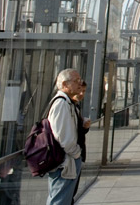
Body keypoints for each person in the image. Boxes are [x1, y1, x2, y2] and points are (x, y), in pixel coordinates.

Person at [46, 69, 84, 205]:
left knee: (64, 198)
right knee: (59, 199)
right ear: (64, 84)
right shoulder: (61, 104)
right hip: (64, 162)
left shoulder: (68, 103)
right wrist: (76, 153)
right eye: (76, 81)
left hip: (68, 160)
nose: (80, 84)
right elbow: (63, 138)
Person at [70, 80, 91, 204]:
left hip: (76, 155)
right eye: (80, 90)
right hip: (71, 156)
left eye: (84, 91)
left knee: (71, 193)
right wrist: (76, 153)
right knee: (65, 193)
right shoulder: (64, 105)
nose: (81, 93)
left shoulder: (75, 106)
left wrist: (84, 127)